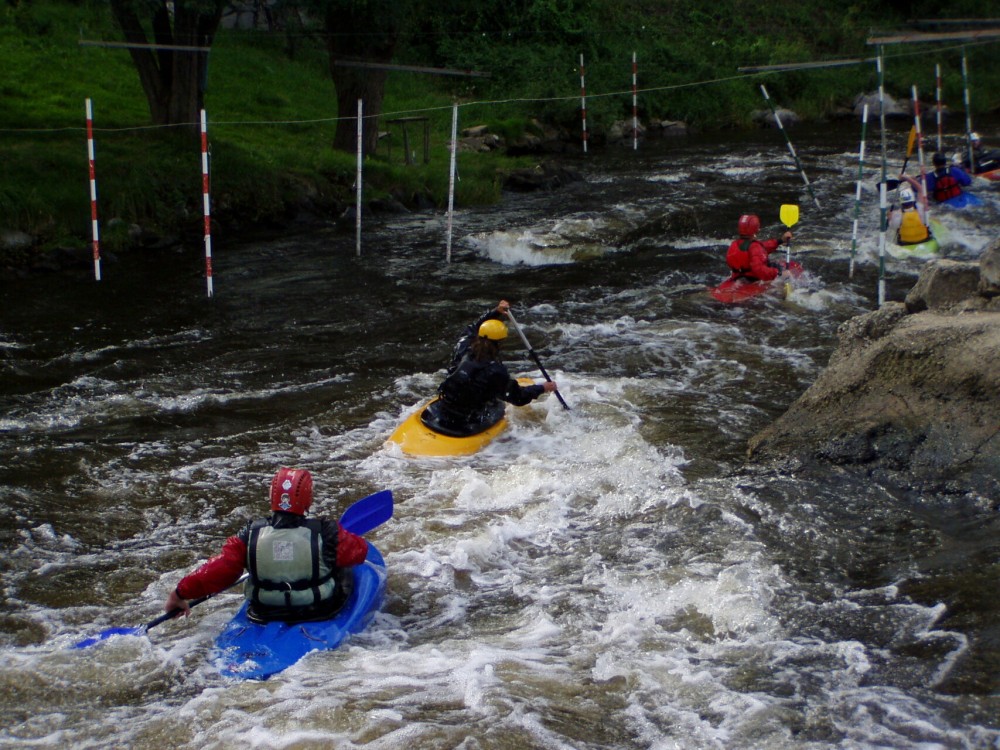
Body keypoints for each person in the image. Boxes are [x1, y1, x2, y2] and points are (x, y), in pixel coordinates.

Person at [164, 467, 369, 624]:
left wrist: (179, 593)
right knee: (343, 566)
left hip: (264, 612)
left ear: (272, 495)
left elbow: (217, 571)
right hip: (317, 610)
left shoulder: (250, 534)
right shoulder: (326, 531)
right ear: (308, 498)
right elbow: (360, 552)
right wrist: (335, 540)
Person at [423, 300, 558, 436]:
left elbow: (473, 327)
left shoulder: (463, 345)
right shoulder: (496, 371)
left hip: (444, 407)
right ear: (500, 343)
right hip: (466, 421)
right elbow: (518, 398)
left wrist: (495, 312)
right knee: (495, 403)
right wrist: (542, 388)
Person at [725, 214, 793, 282]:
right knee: (778, 267)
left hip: (738, 278)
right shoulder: (754, 247)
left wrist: (779, 241)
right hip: (754, 280)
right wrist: (779, 273)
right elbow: (759, 270)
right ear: (755, 229)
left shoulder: (734, 244)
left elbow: (762, 248)